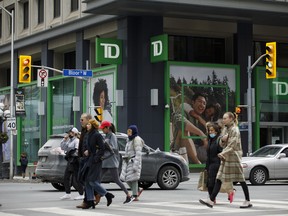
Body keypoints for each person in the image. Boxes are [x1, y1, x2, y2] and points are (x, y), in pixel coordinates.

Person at [199, 112, 253, 209]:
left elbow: (232, 145)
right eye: (223, 118)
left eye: (225, 118)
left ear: (231, 118)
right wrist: (222, 140)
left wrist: (223, 153)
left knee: (241, 180)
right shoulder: (225, 129)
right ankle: (211, 200)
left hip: (234, 158)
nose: (223, 120)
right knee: (219, 178)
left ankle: (247, 200)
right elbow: (221, 142)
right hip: (226, 158)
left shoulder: (235, 130)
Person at [80, 119, 114, 209]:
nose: (87, 126)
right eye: (87, 125)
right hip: (89, 159)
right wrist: (86, 151)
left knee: (91, 181)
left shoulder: (97, 135)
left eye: (89, 124)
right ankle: (90, 201)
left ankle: (107, 194)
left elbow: (102, 149)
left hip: (95, 161)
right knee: (87, 180)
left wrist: (95, 158)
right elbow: (88, 146)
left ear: (93, 126)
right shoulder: (89, 134)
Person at [100, 121, 135, 204]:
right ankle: (99, 194)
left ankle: (129, 195)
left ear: (107, 128)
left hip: (111, 161)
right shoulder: (106, 136)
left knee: (117, 180)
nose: (102, 130)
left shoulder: (112, 136)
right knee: (98, 179)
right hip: (105, 161)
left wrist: (105, 145)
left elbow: (114, 148)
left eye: (103, 129)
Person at [171, 93, 208, 164]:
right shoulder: (184, 111)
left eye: (204, 103)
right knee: (184, 130)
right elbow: (179, 121)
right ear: (193, 102)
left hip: (197, 148)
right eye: (199, 101)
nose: (202, 105)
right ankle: (197, 163)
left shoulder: (201, 118)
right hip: (180, 148)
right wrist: (200, 133)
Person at [204, 122, 235, 204]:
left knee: (213, 183)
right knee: (210, 184)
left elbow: (223, 151)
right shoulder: (210, 140)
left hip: (217, 164)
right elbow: (208, 155)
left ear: (216, 132)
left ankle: (212, 199)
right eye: (209, 131)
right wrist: (206, 167)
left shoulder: (219, 140)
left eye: (212, 130)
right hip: (210, 164)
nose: (210, 132)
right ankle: (214, 198)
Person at [120, 125, 144, 201]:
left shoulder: (136, 139)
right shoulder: (129, 140)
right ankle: (138, 189)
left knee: (134, 179)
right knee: (127, 178)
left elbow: (138, 153)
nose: (128, 133)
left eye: (130, 131)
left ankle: (135, 195)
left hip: (134, 161)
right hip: (128, 161)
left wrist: (136, 164)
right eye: (128, 131)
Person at [60, 127, 84, 200]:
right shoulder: (69, 141)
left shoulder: (77, 141)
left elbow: (77, 151)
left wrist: (70, 153)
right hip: (70, 160)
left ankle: (81, 194)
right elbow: (63, 147)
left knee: (77, 178)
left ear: (74, 133)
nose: (68, 134)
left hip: (75, 160)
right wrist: (64, 139)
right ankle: (68, 193)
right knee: (66, 177)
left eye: (70, 132)